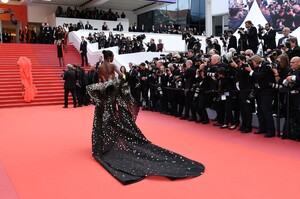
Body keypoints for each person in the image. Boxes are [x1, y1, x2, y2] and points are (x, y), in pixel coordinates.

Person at [86, 50, 204, 185]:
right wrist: (119, 81)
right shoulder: (113, 66)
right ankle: (118, 139)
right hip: (114, 93)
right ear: (110, 57)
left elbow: (101, 81)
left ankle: (107, 142)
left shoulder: (100, 67)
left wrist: (107, 84)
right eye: (112, 56)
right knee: (118, 116)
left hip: (105, 94)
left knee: (105, 117)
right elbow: (123, 76)